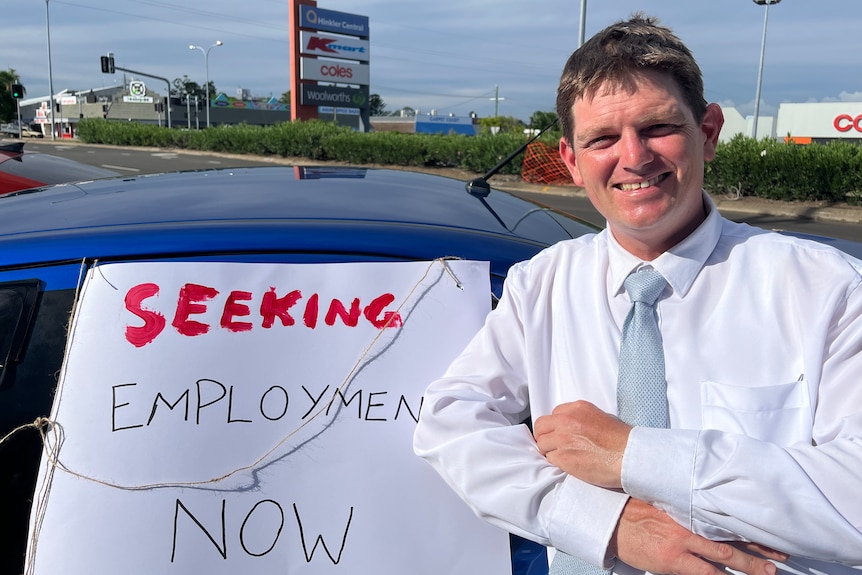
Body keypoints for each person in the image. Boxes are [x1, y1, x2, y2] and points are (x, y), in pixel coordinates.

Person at [413, 13, 862, 575]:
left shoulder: (828, 289)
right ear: (573, 162)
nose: (634, 157)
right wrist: (610, 524)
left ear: (709, 132)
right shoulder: (540, 285)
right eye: (602, 138)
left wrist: (635, 456)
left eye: (657, 128)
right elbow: (450, 423)